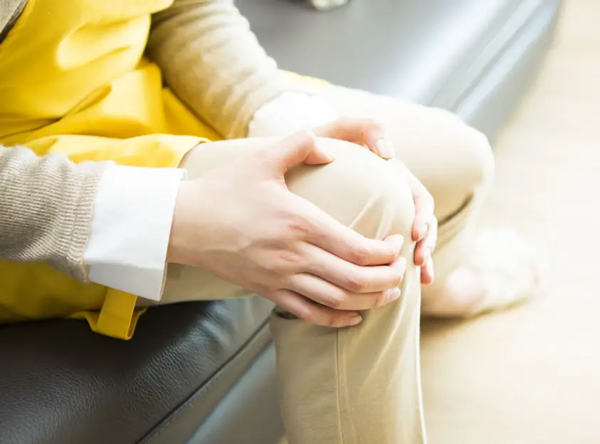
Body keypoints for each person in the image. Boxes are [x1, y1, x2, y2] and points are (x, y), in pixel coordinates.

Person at [0, 1, 540, 443]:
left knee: (459, 159)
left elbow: (183, 9)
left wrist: (286, 123)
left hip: (129, 95)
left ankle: (426, 287)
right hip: (34, 186)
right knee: (359, 207)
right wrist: (173, 217)